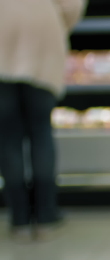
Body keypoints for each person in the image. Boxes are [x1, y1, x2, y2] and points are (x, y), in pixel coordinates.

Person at [0, 0, 87, 241]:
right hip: (42, 36)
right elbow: (72, 6)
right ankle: (46, 214)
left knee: (8, 137)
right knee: (41, 131)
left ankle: (19, 218)